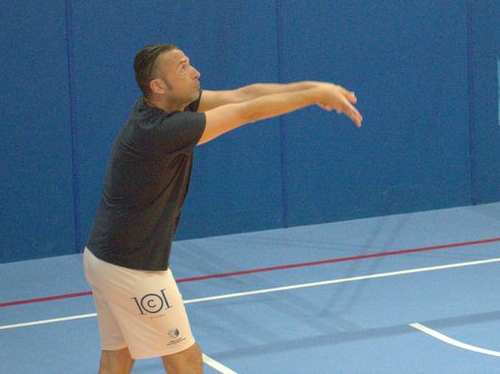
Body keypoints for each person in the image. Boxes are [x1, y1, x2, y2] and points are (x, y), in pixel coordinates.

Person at [83, 44, 362, 374]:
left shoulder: (161, 107)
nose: (195, 72)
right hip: (132, 268)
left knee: (118, 357)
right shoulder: (162, 131)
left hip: (103, 258)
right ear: (158, 85)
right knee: (185, 359)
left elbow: (245, 95)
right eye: (183, 67)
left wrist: (315, 88)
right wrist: (314, 96)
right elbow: (247, 112)